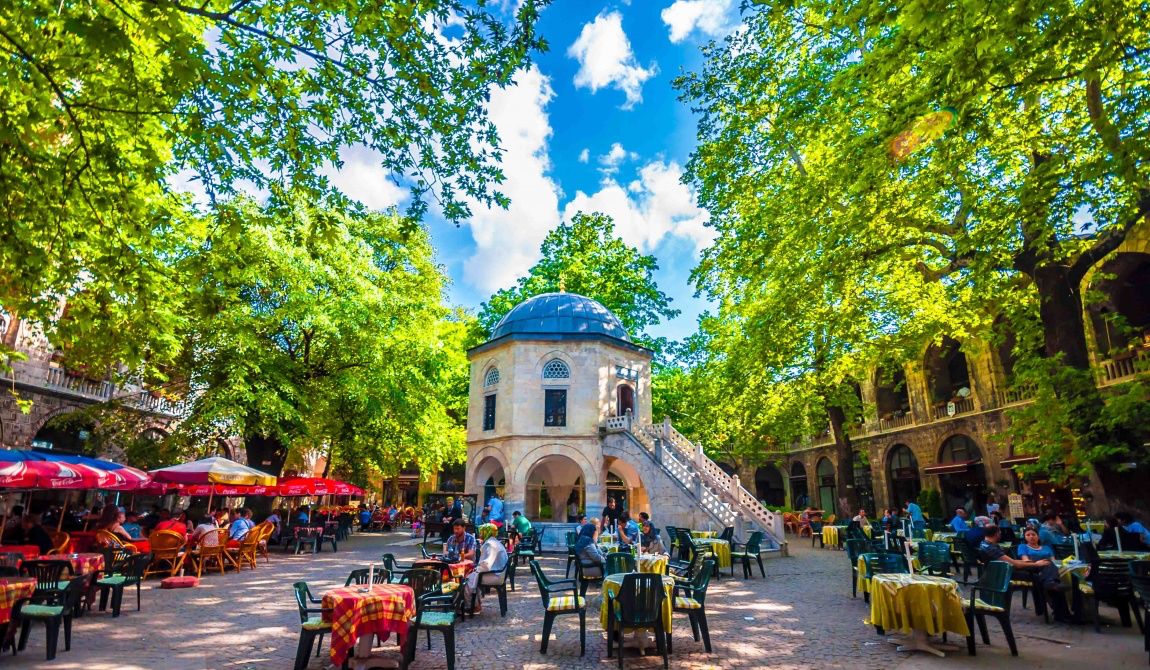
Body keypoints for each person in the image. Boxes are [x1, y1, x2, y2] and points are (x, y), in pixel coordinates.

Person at [978, 525, 1078, 623]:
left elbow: (1013, 562)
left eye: (1033, 534)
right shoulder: (991, 548)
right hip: (1005, 574)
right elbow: (1015, 564)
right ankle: (1062, 612)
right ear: (996, 534)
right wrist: (1035, 564)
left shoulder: (985, 544)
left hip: (1002, 572)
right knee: (1045, 573)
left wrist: (1035, 563)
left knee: (1047, 570)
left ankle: (1054, 595)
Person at [465, 523, 508, 612]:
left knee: (466, 580)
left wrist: (476, 569)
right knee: (472, 576)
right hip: (499, 573)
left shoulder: (490, 545)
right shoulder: (495, 542)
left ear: (486, 532)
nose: (480, 535)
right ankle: (475, 603)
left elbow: (486, 564)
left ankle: (471, 606)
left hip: (494, 574)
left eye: (482, 532)